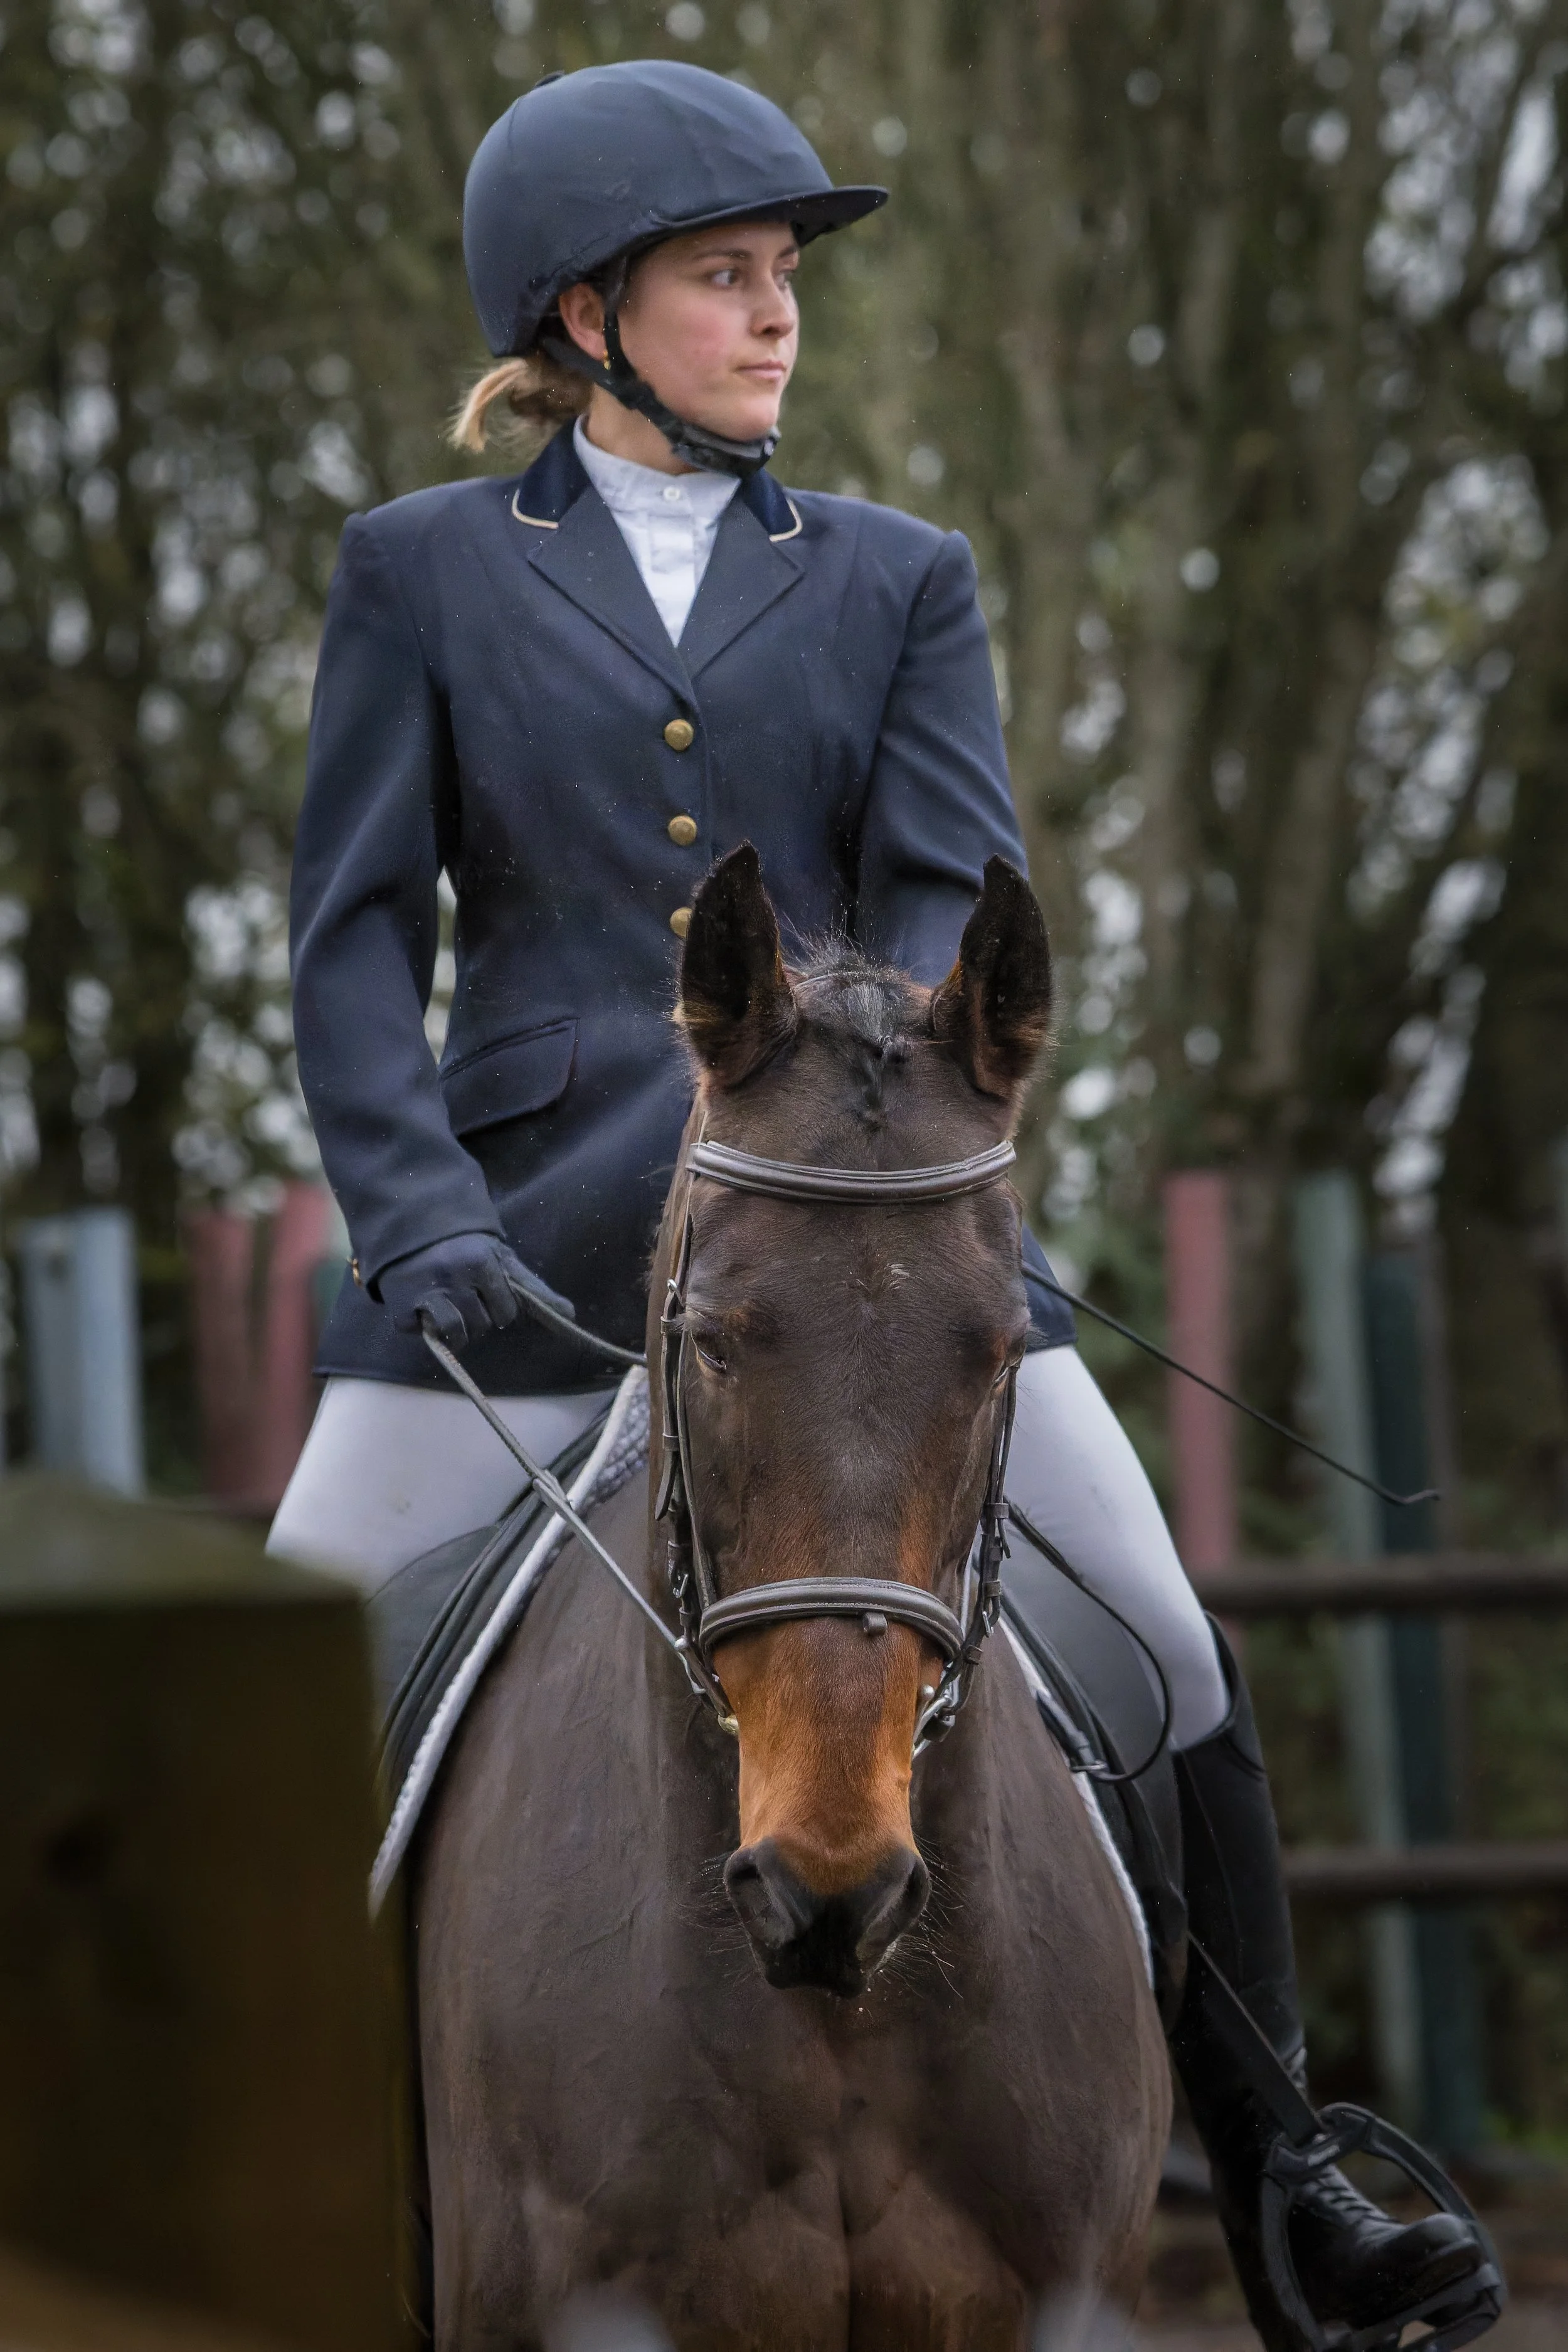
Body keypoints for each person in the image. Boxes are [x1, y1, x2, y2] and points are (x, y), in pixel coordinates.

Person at [271, 60, 1496, 2352]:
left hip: (860, 1244)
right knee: (261, 1682)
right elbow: (353, 939)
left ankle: (1295, 2172)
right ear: (586, 309)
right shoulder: (418, 574)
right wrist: (411, 1216)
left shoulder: (901, 581)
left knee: (1157, 1633)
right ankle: (216, 2228)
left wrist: (891, 1133)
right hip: (508, 1259)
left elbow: (949, 891)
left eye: (783, 279)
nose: (775, 316)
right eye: (726, 277)